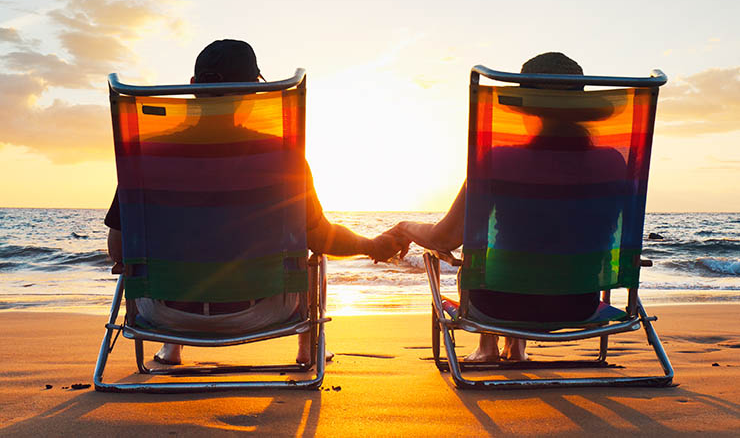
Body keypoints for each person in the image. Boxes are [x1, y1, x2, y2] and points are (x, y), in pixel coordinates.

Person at [105, 39, 409, 365]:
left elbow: (119, 249)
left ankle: (171, 347)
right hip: (263, 312)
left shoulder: (147, 157)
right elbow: (320, 237)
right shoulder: (281, 156)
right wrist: (372, 245)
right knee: (309, 254)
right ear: (253, 92)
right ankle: (307, 350)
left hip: (165, 315)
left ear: (193, 87)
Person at [388, 52, 625, 362]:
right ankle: (515, 346)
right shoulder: (613, 163)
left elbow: (445, 240)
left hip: (497, 307)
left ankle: (487, 347)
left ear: (527, 108)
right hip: (578, 305)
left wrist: (405, 228)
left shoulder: (499, 161)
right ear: (581, 111)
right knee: (544, 243)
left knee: (491, 254)